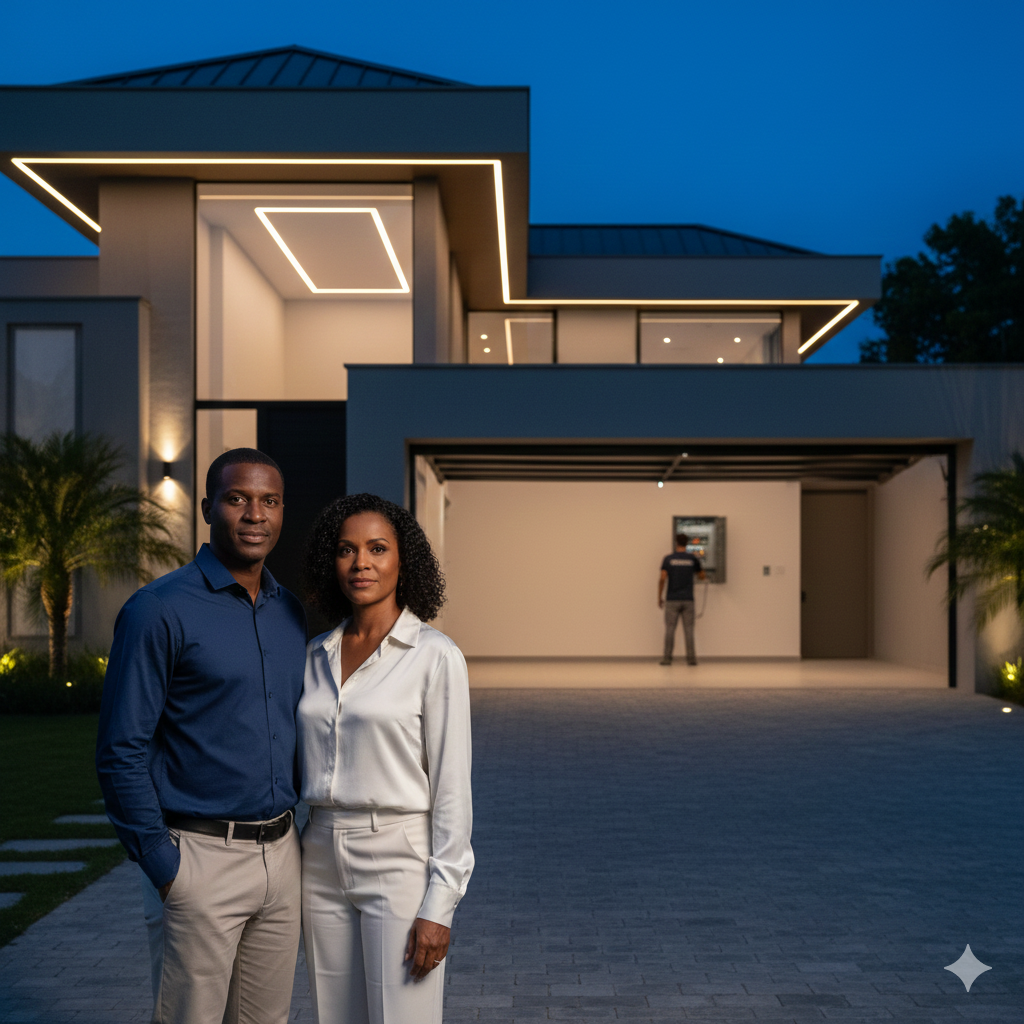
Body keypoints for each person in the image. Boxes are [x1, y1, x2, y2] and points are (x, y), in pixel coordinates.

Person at [96, 448, 308, 1024]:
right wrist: (165, 867)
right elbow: (121, 750)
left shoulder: (290, 611)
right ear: (210, 507)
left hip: (282, 859)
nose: (254, 515)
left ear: (283, 512)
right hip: (198, 859)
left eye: (269, 501)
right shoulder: (158, 610)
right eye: (238, 499)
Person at [298, 492, 473, 1024]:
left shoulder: (434, 656)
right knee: (334, 1016)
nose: (362, 563)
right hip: (319, 855)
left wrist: (439, 905)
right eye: (347, 550)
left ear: (404, 560)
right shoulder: (315, 654)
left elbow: (452, 789)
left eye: (377, 548)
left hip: (398, 855)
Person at [658, 533, 706, 666]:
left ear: (676, 543)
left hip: (672, 599)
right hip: (688, 599)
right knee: (689, 630)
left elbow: (662, 578)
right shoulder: (693, 559)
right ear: (687, 544)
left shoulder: (668, 559)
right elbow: (702, 575)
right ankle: (691, 659)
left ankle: (667, 659)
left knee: (670, 629)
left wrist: (659, 597)